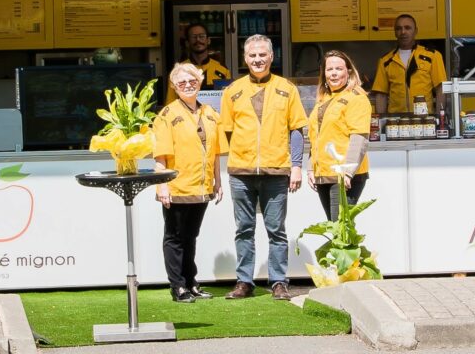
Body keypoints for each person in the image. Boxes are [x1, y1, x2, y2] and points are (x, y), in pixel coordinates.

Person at [220, 34, 307, 301]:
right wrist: (242, 157)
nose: (258, 59)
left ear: (271, 57)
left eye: (262, 55)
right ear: (245, 58)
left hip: (276, 170)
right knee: (244, 228)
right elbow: (228, 131)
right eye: (252, 55)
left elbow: (296, 130)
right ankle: (244, 281)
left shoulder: (287, 88)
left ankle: (279, 281)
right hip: (241, 173)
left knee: (276, 231)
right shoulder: (232, 91)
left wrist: (296, 166)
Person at [153, 62, 227, 303]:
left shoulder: (209, 113)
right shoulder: (166, 115)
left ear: (200, 82)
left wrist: (217, 181)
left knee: (190, 236)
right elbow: (160, 155)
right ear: (174, 86)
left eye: (192, 80)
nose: (187, 85)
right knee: (174, 237)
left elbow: (215, 152)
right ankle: (178, 286)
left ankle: (191, 282)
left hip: (201, 185)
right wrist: (162, 185)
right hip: (177, 185)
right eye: (182, 82)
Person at [306, 51, 371, 220]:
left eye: (338, 69)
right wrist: (311, 167)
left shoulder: (356, 97)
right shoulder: (324, 98)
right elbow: (316, 137)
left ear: (348, 72)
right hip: (325, 173)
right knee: (335, 228)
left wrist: (348, 172)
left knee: (341, 230)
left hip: (344, 175)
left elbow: (359, 137)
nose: (333, 73)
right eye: (329, 69)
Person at [371, 14, 447, 114]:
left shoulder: (432, 56)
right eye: (399, 28)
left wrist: (438, 118)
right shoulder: (386, 61)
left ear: (415, 31)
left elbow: (440, 89)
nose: (403, 32)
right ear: (395, 33)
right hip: (396, 120)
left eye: (407, 28)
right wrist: (381, 121)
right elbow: (381, 94)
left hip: (424, 119)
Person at [165, 23, 231, 103]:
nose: (198, 40)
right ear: (187, 43)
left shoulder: (222, 70)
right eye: (193, 37)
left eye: (202, 36)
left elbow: (230, 100)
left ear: (208, 40)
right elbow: (170, 103)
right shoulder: (178, 71)